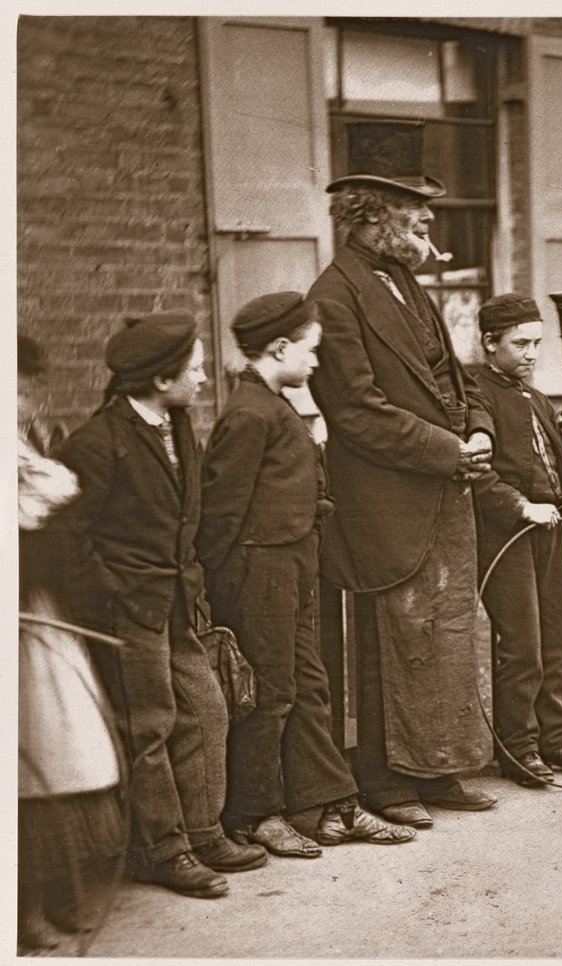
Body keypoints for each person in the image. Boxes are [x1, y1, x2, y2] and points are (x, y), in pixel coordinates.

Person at [307, 172, 498, 828]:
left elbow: (455, 373)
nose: (428, 231)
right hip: (388, 498)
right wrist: (449, 450)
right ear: (372, 219)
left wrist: (478, 428)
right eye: (416, 220)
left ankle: (438, 766)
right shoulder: (333, 296)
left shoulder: (409, 283)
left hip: (443, 487)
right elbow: (356, 411)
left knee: (445, 632)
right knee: (395, 635)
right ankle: (386, 783)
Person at [197, 292, 417, 857]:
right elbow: (220, 512)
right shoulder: (249, 413)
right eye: (311, 351)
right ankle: (254, 814)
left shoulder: (275, 406)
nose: (317, 363)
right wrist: (224, 589)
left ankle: (331, 806)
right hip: (259, 569)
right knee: (269, 695)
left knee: (309, 688)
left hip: (291, 564)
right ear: (279, 347)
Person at [58, 311, 268, 900]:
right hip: (129, 610)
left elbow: (184, 516)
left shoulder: (176, 425)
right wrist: (113, 596)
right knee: (149, 727)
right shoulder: (98, 443)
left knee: (206, 709)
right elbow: (73, 536)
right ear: (159, 379)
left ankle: (202, 831)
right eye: (194, 369)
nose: (203, 377)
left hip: (177, 601)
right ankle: (162, 850)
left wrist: (191, 585)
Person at [471, 294, 562, 787]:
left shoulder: (534, 397)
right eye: (520, 343)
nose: (532, 353)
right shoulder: (476, 393)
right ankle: (518, 749)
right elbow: (477, 474)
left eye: (537, 343)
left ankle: (556, 741)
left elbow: (558, 469)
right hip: (505, 535)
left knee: (558, 639)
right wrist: (519, 505)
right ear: (489, 344)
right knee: (523, 645)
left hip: (547, 529)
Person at [18, 334, 126, 952]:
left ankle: (49, 894)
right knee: (26, 762)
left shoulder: (29, 439)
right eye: (21, 385)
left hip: (36, 608)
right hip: (20, 610)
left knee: (53, 756)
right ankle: (25, 907)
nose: (27, 398)